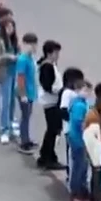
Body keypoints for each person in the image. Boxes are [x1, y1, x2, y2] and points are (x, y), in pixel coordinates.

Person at [0, 12, 23, 145]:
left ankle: (10, 122)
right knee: (5, 101)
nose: (11, 30)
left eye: (12, 27)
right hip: (3, 73)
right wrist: (7, 57)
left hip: (13, 71)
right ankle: (4, 129)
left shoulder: (14, 40)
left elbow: (19, 52)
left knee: (12, 100)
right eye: (8, 27)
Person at [63, 74, 92, 201]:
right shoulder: (80, 105)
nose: (88, 93)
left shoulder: (79, 103)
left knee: (81, 165)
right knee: (79, 166)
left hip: (77, 139)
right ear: (78, 89)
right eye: (86, 90)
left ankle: (81, 189)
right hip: (79, 140)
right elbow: (80, 123)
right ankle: (76, 192)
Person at [37, 41, 66, 170]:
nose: (58, 55)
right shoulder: (46, 66)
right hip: (51, 102)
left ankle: (47, 155)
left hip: (52, 101)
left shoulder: (50, 64)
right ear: (49, 53)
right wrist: (60, 91)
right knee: (53, 130)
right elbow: (47, 85)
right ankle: (47, 157)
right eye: (56, 52)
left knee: (52, 130)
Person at [15, 33, 41, 156]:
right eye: (32, 45)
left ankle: (27, 139)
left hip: (30, 92)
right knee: (25, 117)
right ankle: (23, 142)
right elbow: (20, 78)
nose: (35, 47)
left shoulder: (30, 58)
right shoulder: (23, 59)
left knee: (27, 116)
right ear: (26, 45)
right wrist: (23, 94)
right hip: (25, 93)